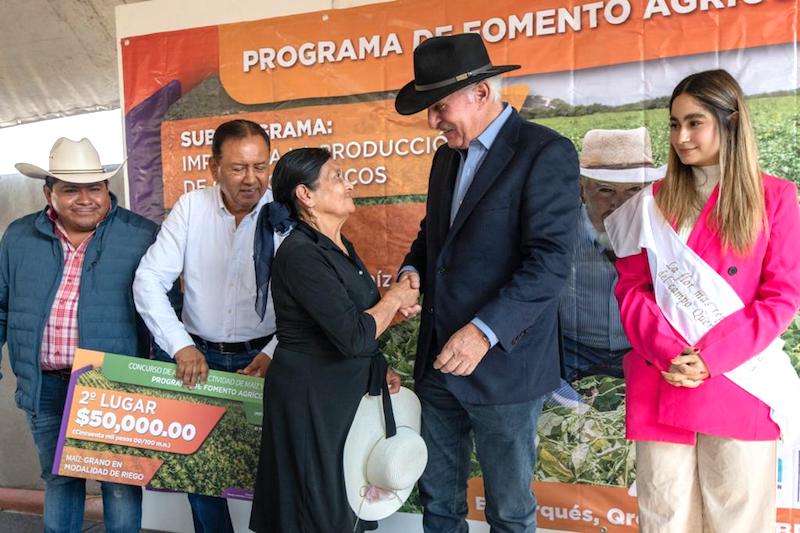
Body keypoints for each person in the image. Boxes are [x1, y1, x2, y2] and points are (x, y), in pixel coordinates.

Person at [394, 33, 580, 531]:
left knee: (510, 511)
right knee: (439, 501)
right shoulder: (444, 160)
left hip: (505, 368)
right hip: (438, 364)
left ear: (480, 93)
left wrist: (483, 331)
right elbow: (433, 240)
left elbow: (550, 263)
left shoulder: (545, 152)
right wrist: (412, 272)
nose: (433, 122)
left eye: (439, 106)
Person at [606, 69, 800, 533]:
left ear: (730, 122)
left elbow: (781, 296)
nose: (681, 137)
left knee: (737, 521)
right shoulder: (652, 202)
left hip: (739, 380)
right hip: (663, 375)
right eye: (674, 124)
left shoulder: (775, 197)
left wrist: (710, 359)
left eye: (695, 123)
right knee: (664, 518)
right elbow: (631, 288)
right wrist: (671, 353)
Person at [248, 148, 421, 533]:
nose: (349, 184)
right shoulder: (300, 254)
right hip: (312, 400)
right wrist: (393, 299)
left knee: (346, 506)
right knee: (319, 513)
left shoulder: (339, 246)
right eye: (337, 176)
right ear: (305, 195)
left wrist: (388, 323)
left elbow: (354, 327)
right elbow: (354, 336)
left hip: (343, 392)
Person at [133, 119, 282, 533]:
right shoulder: (191, 208)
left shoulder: (287, 214)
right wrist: (180, 346)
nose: (251, 179)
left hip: (266, 361)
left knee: (272, 471)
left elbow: (308, 300)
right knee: (202, 475)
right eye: (238, 168)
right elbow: (148, 280)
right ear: (213, 166)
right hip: (199, 361)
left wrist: (274, 352)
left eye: (260, 166)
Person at [0, 138, 155, 533]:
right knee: (59, 479)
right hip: (46, 386)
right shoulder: (18, 237)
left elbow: (165, 313)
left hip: (114, 385)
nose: (85, 199)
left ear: (107, 190)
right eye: (71, 189)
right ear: (48, 193)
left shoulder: (141, 235)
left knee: (119, 485)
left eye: (95, 188)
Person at [559, 127, 664, 381]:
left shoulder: (664, 233)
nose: (620, 204)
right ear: (582, 189)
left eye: (633, 190)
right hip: (571, 349)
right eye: (606, 190)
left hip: (641, 351)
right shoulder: (558, 230)